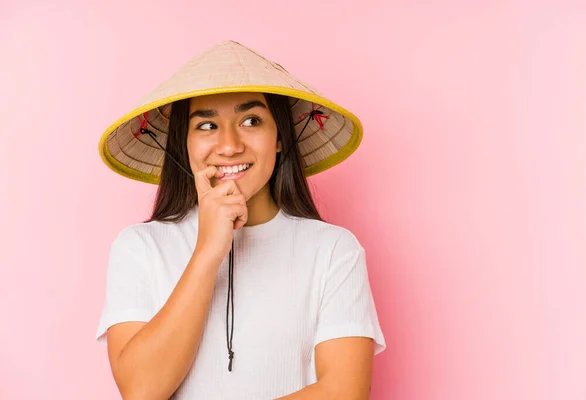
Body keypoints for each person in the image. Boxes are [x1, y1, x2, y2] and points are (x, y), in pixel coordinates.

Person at [95, 40, 386, 399]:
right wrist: (207, 252)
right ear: (183, 141)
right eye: (206, 126)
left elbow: (345, 391)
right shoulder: (140, 246)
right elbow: (141, 390)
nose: (229, 145)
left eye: (251, 121)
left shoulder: (333, 250)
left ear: (279, 137)